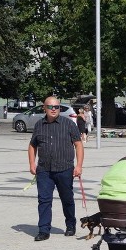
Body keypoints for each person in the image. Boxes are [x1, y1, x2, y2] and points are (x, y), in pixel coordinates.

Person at [28, 96, 85, 241]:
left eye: (56, 107)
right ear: (44, 108)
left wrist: (78, 165)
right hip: (44, 170)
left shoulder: (68, 124)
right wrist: (32, 164)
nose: (54, 109)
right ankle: (43, 230)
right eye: (50, 107)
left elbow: (78, 145)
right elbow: (32, 145)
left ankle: (70, 225)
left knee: (67, 199)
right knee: (44, 200)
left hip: (65, 168)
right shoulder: (39, 125)